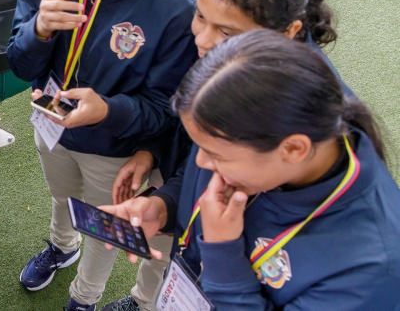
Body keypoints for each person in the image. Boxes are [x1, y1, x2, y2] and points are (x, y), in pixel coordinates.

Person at [5, 0, 198, 309]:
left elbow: (167, 111)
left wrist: (109, 110)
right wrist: (38, 29)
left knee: (103, 229)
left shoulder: (178, 6)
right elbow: (19, 65)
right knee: (62, 197)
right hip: (50, 121)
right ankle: (61, 246)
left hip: (114, 149)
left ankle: (84, 298)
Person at [111, 30, 400, 309]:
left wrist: (222, 252)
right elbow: (195, 177)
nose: (201, 163)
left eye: (215, 155)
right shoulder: (246, 133)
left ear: (294, 149)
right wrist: (164, 207)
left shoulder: (371, 267)